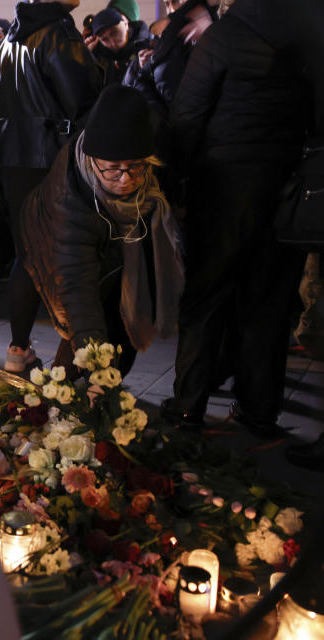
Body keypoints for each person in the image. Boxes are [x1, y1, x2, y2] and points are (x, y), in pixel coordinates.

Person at [163, 0, 313, 434]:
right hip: (286, 187)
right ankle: (259, 411)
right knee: (268, 303)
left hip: (224, 187)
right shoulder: (307, 39)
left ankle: (189, 405)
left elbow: (188, 113)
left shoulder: (227, 36)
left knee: (206, 296)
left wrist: (176, 183)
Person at [18, 84, 184, 379]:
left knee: (122, 336)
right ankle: (58, 396)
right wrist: (97, 366)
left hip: (118, 250)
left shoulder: (155, 158)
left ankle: (92, 389)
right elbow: (76, 290)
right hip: (57, 248)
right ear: (93, 162)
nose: (125, 178)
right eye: (112, 169)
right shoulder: (68, 200)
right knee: (83, 329)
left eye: (135, 167)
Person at [0, 0, 103, 373]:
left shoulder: (9, 37)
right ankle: (82, 362)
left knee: (27, 253)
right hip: (52, 160)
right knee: (67, 256)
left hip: (14, 159)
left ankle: (18, 348)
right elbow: (85, 99)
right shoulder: (56, 30)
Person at [89, 7, 153, 86]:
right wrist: (86, 56)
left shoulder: (147, 48)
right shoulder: (98, 57)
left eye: (115, 33)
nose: (112, 43)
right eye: (104, 39)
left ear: (126, 24)